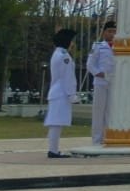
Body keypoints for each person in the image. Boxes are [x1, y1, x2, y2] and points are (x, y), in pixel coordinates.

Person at [44, 28, 78, 158]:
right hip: (61, 93)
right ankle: (53, 150)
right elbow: (67, 77)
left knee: (55, 123)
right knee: (56, 123)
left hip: (57, 92)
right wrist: (71, 94)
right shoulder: (64, 56)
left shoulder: (58, 53)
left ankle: (54, 149)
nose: (73, 44)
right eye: (72, 41)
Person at [86, 20, 117, 146]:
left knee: (110, 112)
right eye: (110, 31)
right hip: (100, 82)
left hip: (113, 83)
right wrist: (98, 73)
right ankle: (97, 140)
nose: (112, 34)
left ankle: (108, 138)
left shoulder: (119, 46)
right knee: (99, 111)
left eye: (114, 32)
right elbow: (90, 64)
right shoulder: (98, 46)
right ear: (104, 32)